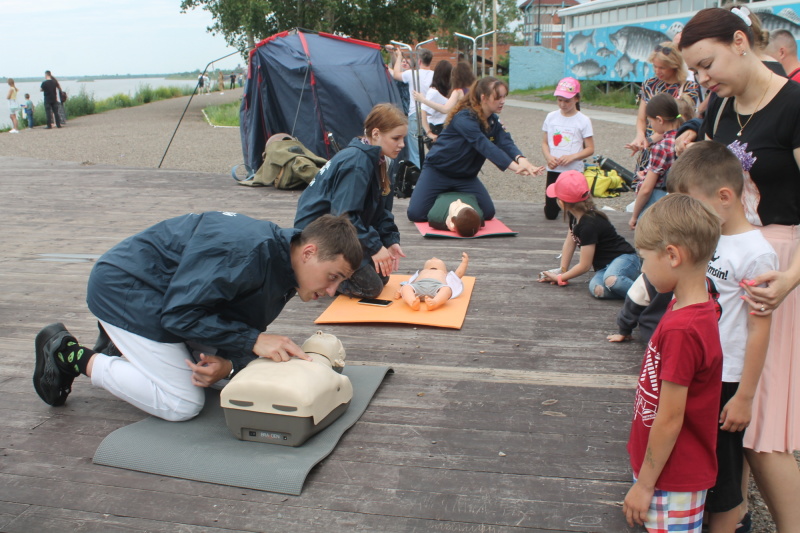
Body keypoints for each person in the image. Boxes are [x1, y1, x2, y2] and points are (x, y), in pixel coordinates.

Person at [32, 213, 362, 421]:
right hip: (125, 289)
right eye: (333, 276)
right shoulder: (247, 252)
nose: (332, 291)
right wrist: (254, 341)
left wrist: (229, 365)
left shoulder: (285, 266)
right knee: (182, 404)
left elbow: (230, 321)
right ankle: (69, 354)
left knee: (218, 377)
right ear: (309, 252)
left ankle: (121, 347)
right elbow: (179, 315)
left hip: (164, 296)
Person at [680, 9, 800, 530]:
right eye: (697, 73)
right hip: (730, 261)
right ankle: (737, 514)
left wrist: (792, 278)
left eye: (708, 65)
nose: (704, 79)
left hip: (780, 266)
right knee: (732, 404)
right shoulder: (719, 105)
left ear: (740, 41)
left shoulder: (794, 104)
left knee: (763, 420)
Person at [669, 141, 777, 533]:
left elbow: (760, 327)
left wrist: (745, 397)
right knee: (700, 458)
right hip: (700, 370)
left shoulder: (755, 252)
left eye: (691, 204)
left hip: (728, 378)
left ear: (725, 197)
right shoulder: (710, 234)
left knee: (725, 473)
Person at [623, 193, 723, 532]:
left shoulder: (684, 328)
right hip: (665, 468)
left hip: (671, 477)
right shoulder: (689, 305)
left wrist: (645, 484)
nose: (642, 268)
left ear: (672, 255)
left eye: (643, 258)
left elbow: (669, 418)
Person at [294, 103, 407, 299]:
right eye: (396, 138)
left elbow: (381, 213)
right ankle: (309, 275)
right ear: (376, 134)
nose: (402, 144)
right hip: (319, 237)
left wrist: (389, 241)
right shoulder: (357, 163)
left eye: (403, 138)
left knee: (383, 277)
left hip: (342, 232)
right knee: (372, 288)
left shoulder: (379, 160)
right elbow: (344, 216)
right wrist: (374, 247)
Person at [406, 76, 544, 222]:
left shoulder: (493, 120)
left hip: (465, 177)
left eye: (504, 97)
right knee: (416, 214)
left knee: (487, 212)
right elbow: (484, 145)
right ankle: (446, 199)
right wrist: (515, 167)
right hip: (438, 172)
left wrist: (522, 160)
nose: (502, 101)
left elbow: (505, 141)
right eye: (498, 97)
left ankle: (452, 196)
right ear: (483, 97)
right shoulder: (464, 117)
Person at [538, 170, 640, 300]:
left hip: (625, 259)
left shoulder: (589, 224)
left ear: (562, 203)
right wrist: (562, 270)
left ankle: (647, 298)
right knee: (598, 290)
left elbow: (585, 266)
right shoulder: (575, 215)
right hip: (603, 268)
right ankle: (631, 293)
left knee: (612, 280)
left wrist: (560, 278)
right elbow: (570, 242)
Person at [626, 42, 701, 173]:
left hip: (671, 148)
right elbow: (641, 118)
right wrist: (640, 137)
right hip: (649, 148)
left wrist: (648, 140)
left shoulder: (689, 88)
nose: (657, 71)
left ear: (674, 66)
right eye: (655, 66)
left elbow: (677, 124)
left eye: (662, 67)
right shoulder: (649, 84)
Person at [628, 93, 685, 230]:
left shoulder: (661, 147)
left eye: (650, 121)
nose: (650, 125)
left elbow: (647, 189)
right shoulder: (684, 138)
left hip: (659, 201)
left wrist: (635, 216)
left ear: (659, 120)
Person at [541, 77, 595, 220]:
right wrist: (548, 157)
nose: (563, 104)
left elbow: (590, 148)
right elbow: (545, 143)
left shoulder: (583, 120)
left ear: (576, 99)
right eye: (559, 100)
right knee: (550, 214)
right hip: (554, 168)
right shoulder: (551, 117)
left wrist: (572, 157)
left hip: (573, 171)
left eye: (567, 101)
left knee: (576, 211)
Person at [389, 46, 434, 168]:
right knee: (434, 148)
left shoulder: (412, 74)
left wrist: (398, 57)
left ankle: (418, 177)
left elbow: (396, 74)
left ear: (419, 61)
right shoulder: (435, 75)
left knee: (415, 151)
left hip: (415, 114)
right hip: (431, 115)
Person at [607, 273, 673, 345]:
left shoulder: (650, 275)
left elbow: (633, 303)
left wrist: (624, 331)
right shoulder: (685, 277)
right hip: (682, 337)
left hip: (654, 335)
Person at [395, 252, 469, 311]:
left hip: (437, 287)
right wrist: (401, 291)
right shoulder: (420, 273)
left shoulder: (446, 275)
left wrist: (464, 263)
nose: (433, 258)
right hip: (418, 286)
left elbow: (458, 274)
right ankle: (412, 302)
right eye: (430, 260)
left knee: (447, 289)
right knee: (406, 287)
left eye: (437, 261)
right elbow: (409, 283)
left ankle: (435, 302)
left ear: (445, 271)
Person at [419, 60, 452, 144]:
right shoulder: (433, 92)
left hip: (446, 127)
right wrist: (429, 133)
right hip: (437, 128)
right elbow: (423, 111)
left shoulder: (448, 90)